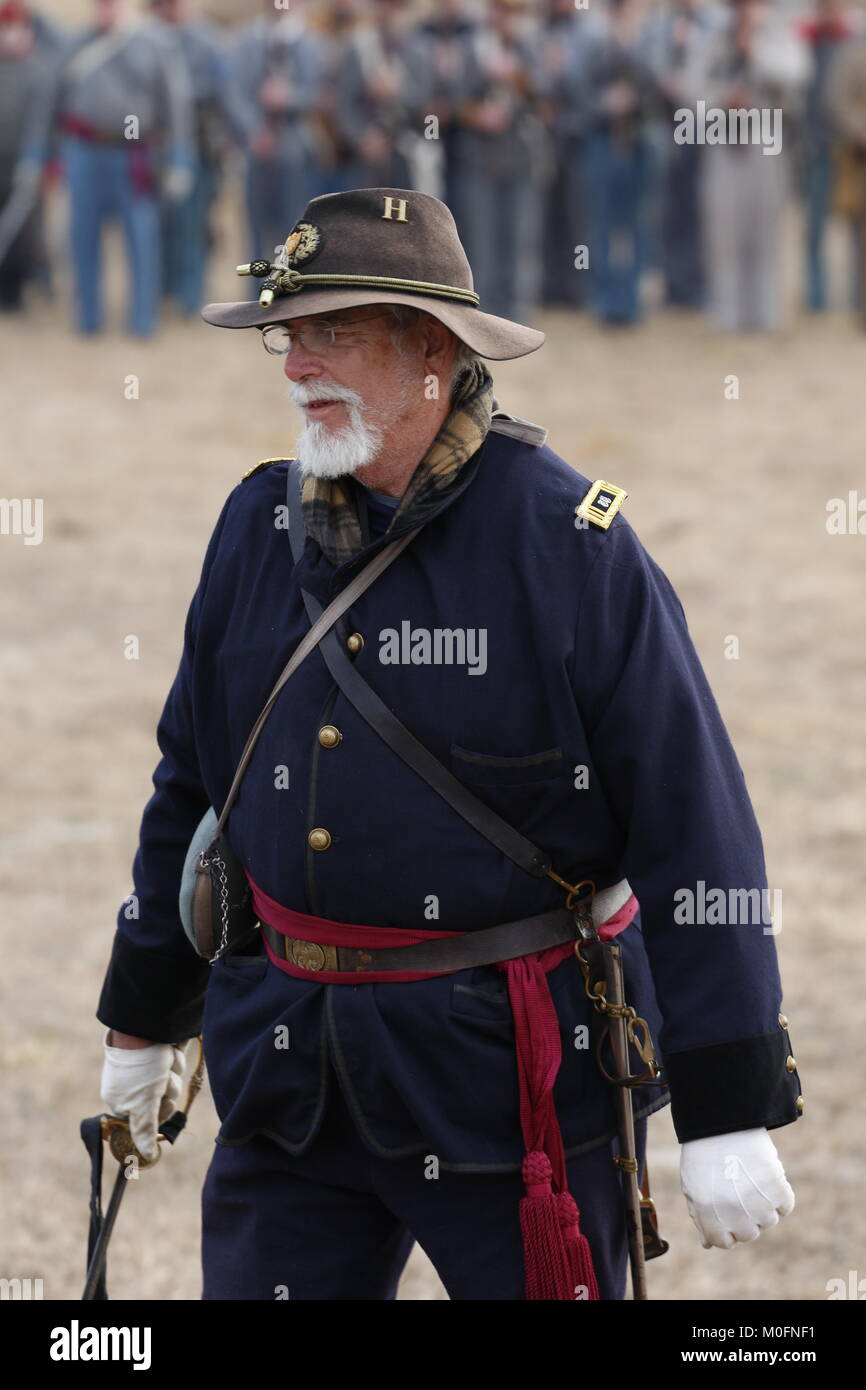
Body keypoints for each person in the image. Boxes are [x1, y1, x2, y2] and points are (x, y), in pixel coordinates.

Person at [97, 186, 802, 1302]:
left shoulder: (571, 547)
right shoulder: (254, 527)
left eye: (332, 332)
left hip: (511, 1093)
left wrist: (726, 1101)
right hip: (289, 1074)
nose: (294, 365)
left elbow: (693, 826)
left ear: (431, 349)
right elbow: (192, 785)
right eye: (289, 334)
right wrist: (142, 1016)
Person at [17, 0, 193, 337]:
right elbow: (48, 105)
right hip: (84, 152)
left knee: (141, 238)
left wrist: (180, 159)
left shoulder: (155, 46)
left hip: (134, 154)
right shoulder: (75, 45)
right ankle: (88, 318)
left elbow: (175, 105)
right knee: (81, 237)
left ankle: (142, 319)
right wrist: (34, 155)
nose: (107, 9)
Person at [688, 0, 811, 333]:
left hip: (765, 147)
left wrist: (753, 50)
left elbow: (795, 73)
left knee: (765, 234)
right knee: (724, 233)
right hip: (724, 147)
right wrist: (722, 97)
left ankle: (765, 315)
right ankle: (728, 315)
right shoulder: (714, 40)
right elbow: (690, 89)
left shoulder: (777, 37)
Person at [452, 0, 550, 322]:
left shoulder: (529, 48)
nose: (506, 18)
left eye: (513, 11)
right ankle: (485, 308)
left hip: (520, 159)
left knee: (519, 238)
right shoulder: (469, 49)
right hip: (480, 159)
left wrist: (515, 75)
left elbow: (546, 95)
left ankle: (517, 307)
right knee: (482, 239)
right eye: (501, 9)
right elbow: (451, 101)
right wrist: (477, 115)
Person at [577, 0, 662, 326]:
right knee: (602, 225)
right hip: (602, 142)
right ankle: (605, 300)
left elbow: (658, 89)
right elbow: (580, 90)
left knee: (637, 224)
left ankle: (631, 301)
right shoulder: (594, 41)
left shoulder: (648, 41)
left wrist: (633, 97)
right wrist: (605, 104)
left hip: (639, 144)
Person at [149, 0, 233, 317]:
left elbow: (223, 95)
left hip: (200, 150)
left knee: (194, 226)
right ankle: (161, 292)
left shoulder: (208, 42)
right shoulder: (147, 41)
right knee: (159, 226)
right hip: (155, 152)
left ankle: (191, 298)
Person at [642, 0, 726, 310]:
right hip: (666, 128)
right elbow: (648, 65)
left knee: (702, 210)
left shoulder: (716, 25)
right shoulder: (658, 26)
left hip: (704, 128)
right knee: (669, 212)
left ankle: (701, 285)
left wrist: (692, 76)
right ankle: (674, 285)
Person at [229, 0, 323, 264]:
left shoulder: (309, 41)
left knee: (294, 228)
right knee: (256, 228)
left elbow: (316, 92)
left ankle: (290, 292)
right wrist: (254, 130)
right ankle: (256, 294)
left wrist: (288, 96)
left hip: (295, 151)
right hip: (258, 150)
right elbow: (236, 93)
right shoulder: (248, 39)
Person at [0, 0, 64, 311]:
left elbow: (40, 121)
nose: (11, 36)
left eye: (17, 29)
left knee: (26, 232)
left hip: (26, 162)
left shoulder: (39, 71)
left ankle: (20, 290)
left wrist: (33, 158)